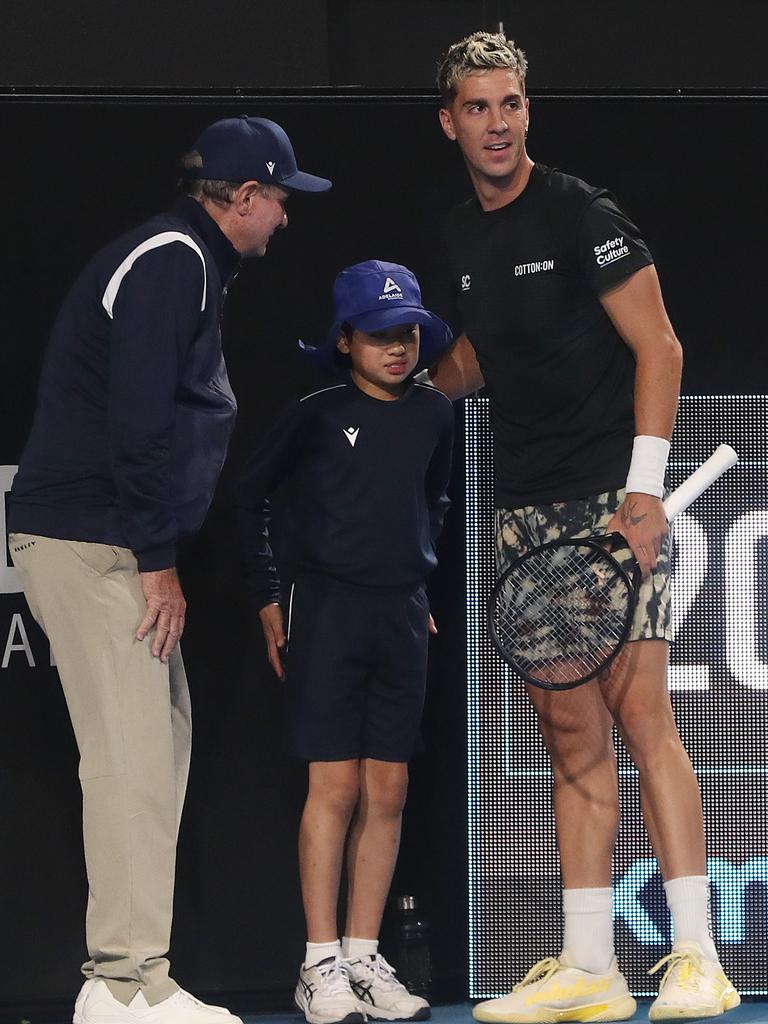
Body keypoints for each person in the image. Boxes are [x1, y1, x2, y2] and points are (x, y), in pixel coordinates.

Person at [426, 31, 740, 1023]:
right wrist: (415, 397)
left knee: (643, 716)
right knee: (571, 736)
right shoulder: (463, 237)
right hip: (526, 510)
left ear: (528, 110)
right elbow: (483, 352)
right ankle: (591, 966)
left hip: (610, 498)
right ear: (451, 121)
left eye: (510, 104)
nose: (497, 124)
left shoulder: (582, 212)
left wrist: (644, 490)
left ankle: (697, 956)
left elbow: (662, 344)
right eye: (478, 108)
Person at [8, 115, 331, 1024]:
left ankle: (141, 976)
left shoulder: (183, 259)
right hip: (92, 541)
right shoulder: (171, 261)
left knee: (159, 752)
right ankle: (116, 983)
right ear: (240, 198)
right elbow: (138, 419)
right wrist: (158, 564)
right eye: (278, 200)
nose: (283, 219)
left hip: (108, 539)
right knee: (129, 761)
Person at [233, 260, 454, 1024]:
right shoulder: (315, 410)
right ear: (346, 339)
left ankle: (363, 957)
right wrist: (268, 598)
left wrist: (415, 581)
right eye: (382, 335)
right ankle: (318, 963)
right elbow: (250, 497)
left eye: (410, 333)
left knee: (387, 789)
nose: (399, 347)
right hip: (325, 613)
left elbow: (436, 497)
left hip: (401, 618)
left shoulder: (434, 414)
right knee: (334, 788)